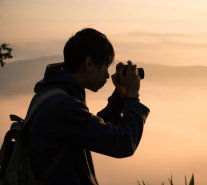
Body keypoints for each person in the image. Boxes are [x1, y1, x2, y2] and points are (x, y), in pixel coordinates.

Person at [27, 28, 150, 185]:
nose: (107, 75)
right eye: (105, 66)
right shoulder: (63, 106)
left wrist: (119, 97)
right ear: (89, 64)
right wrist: (133, 95)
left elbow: (91, 129)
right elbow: (123, 143)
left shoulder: (53, 95)